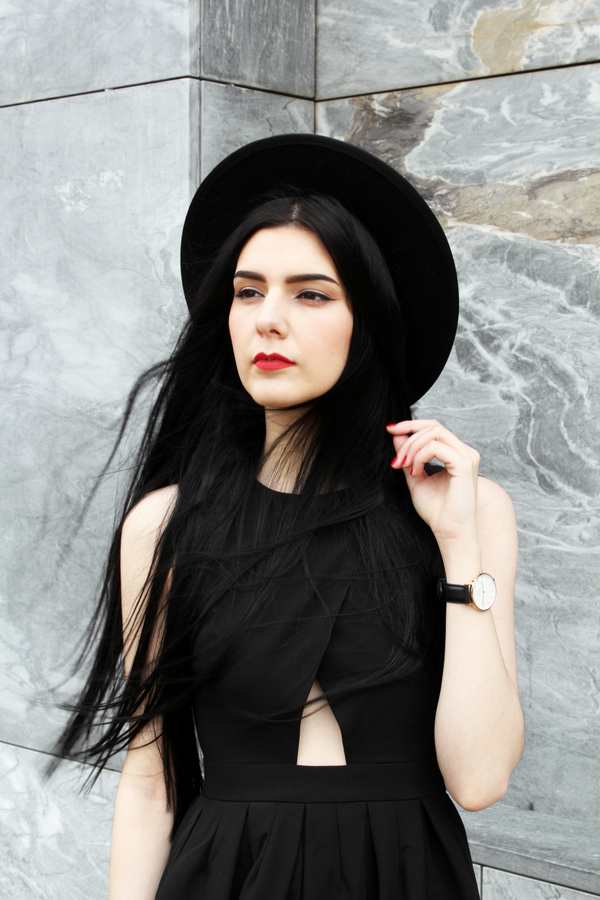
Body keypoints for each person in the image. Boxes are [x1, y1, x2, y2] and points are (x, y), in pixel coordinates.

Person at [53, 134, 525, 899]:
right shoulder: (165, 526)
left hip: (406, 875)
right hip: (226, 876)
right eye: (248, 292)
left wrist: (458, 542)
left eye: (311, 294)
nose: (268, 319)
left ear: (367, 320)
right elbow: (149, 783)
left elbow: (478, 779)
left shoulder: (470, 512)